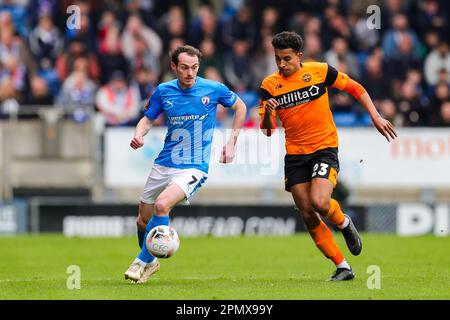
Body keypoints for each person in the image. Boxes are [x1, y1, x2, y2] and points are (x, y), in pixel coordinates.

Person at [260, 31, 397, 281]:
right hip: (295, 155)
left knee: (321, 202)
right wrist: (269, 114)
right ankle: (343, 267)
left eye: (286, 58)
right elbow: (267, 131)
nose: (281, 64)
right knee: (307, 212)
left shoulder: (320, 71)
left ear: (299, 56)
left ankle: (343, 223)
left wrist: (375, 116)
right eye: (277, 59)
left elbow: (356, 88)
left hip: (324, 147)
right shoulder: (269, 85)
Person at [124, 45, 247, 283]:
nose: (190, 73)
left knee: (162, 206)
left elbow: (240, 106)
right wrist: (139, 134)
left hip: (193, 166)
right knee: (142, 220)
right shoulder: (164, 91)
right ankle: (151, 262)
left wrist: (232, 142)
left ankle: (140, 261)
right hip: (164, 162)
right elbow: (147, 120)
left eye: (194, 68)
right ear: (174, 67)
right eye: (184, 68)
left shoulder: (212, 88)